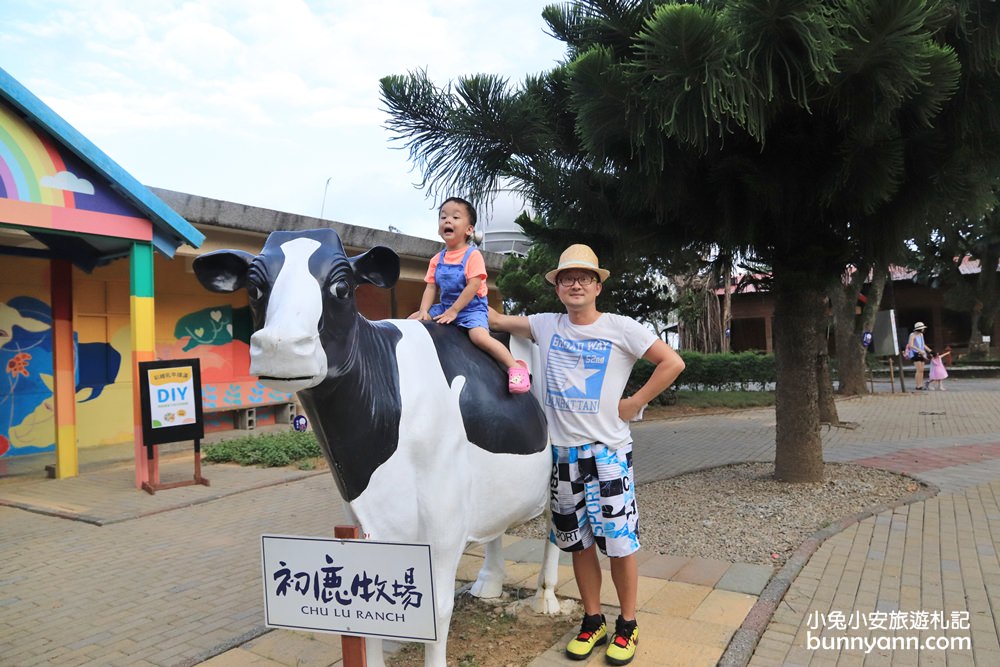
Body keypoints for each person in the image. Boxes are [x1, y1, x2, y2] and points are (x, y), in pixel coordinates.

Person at [488, 244, 685, 665]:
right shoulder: (545, 325)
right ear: (557, 288)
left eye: (584, 278)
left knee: (620, 544)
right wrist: (460, 288)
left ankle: (627, 625)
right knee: (576, 544)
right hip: (563, 458)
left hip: (608, 455)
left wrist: (635, 402)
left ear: (598, 285)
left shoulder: (621, 328)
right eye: (566, 278)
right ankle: (593, 620)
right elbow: (494, 319)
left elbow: (672, 362)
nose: (575, 284)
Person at [410, 197, 530, 393]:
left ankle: (515, 367)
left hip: (471, 308)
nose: (447, 220)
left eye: (455, 217)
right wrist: (424, 310)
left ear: (469, 230)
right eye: (443, 217)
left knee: (479, 337)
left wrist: (455, 311)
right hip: (446, 306)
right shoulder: (436, 259)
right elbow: (431, 287)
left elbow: (473, 286)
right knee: (413, 321)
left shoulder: (473, 255)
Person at [904, 321, 932, 390]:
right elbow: (911, 345)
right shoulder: (912, 335)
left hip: (922, 353)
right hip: (915, 353)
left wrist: (930, 351)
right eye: (922, 328)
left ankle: (921, 384)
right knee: (919, 369)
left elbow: (923, 345)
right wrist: (919, 350)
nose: (923, 329)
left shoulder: (921, 335)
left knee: (922, 370)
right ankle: (918, 385)